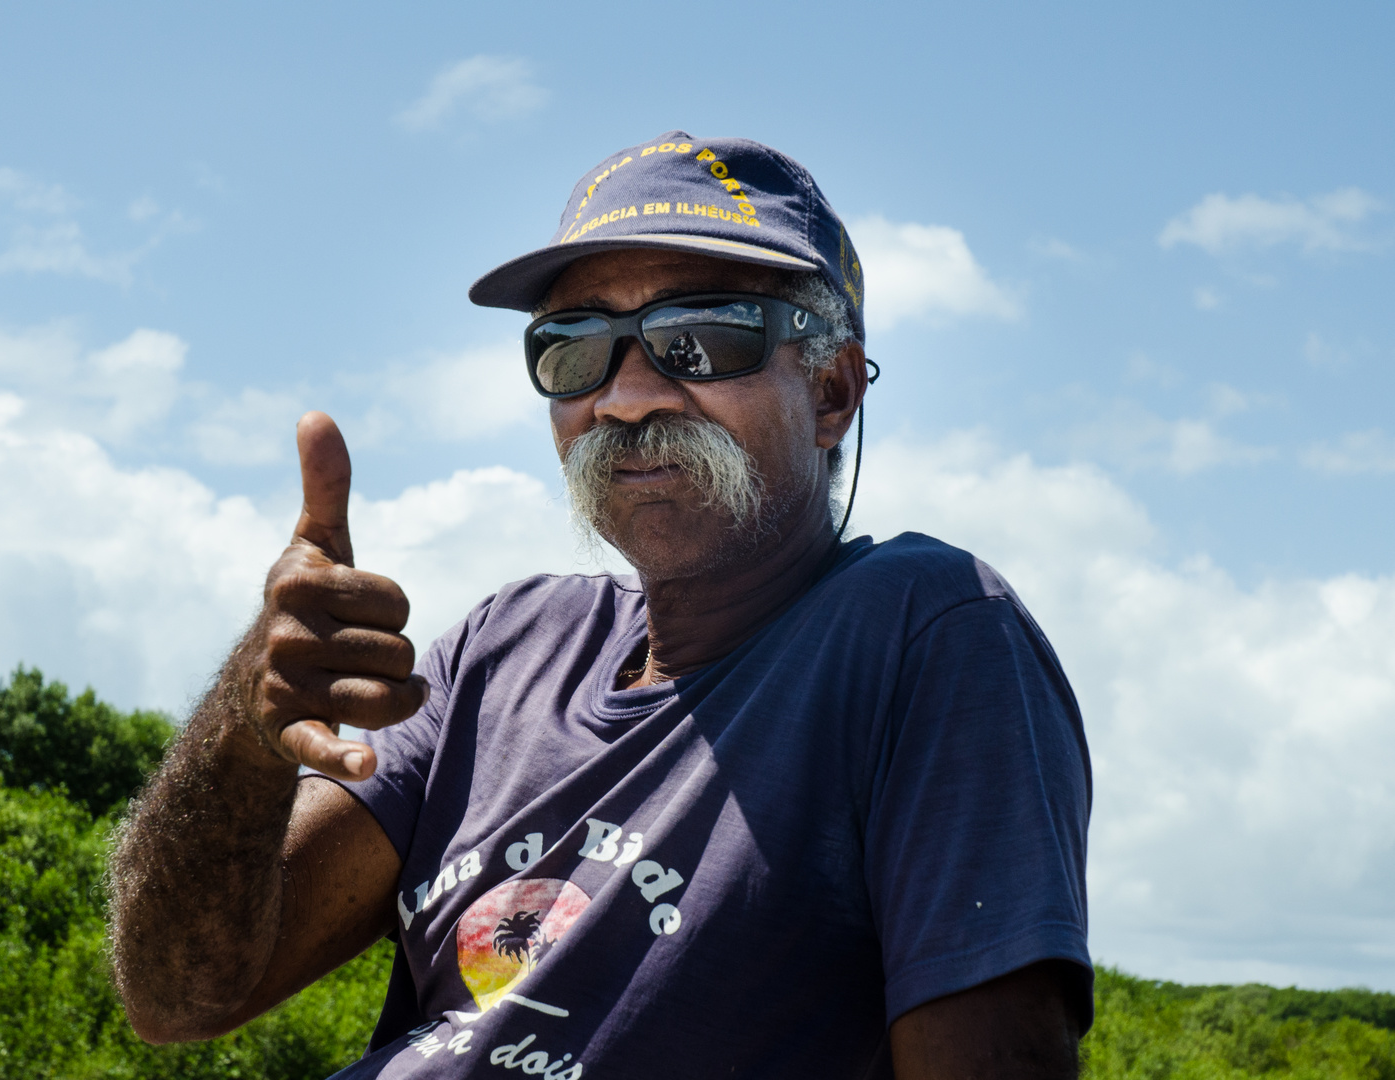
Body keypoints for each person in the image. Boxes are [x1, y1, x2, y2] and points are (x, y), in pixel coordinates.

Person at [108, 131, 1093, 1079]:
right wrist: (247, 723)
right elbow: (178, 999)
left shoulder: (922, 629)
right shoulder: (506, 648)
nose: (623, 399)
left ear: (832, 389)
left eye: (700, 339)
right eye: (574, 347)